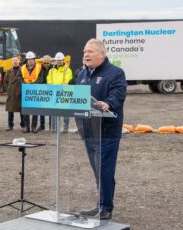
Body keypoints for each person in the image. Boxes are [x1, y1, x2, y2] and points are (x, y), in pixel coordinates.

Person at [71, 38, 127, 220]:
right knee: (97, 171)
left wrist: (108, 104)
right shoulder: (81, 75)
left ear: (102, 54)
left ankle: (106, 208)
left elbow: (117, 96)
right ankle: (100, 205)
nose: (86, 54)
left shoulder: (115, 73)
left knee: (104, 170)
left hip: (106, 132)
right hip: (88, 132)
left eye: (90, 51)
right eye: (84, 52)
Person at [47, 52, 73, 133]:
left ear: (63, 60)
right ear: (55, 61)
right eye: (57, 60)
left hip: (64, 93)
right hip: (54, 93)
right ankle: (54, 128)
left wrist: (62, 86)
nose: (59, 61)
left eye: (60, 60)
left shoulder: (67, 70)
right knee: (54, 112)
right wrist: (52, 86)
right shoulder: (51, 70)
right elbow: (49, 80)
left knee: (65, 112)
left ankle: (66, 127)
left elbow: (67, 80)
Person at [21, 51, 43, 133]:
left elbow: (41, 78)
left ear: (34, 59)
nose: (30, 61)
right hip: (26, 91)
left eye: (31, 59)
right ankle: (27, 127)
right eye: (28, 59)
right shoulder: (22, 68)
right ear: (26, 60)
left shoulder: (39, 67)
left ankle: (33, 127)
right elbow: (20, 78)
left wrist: (33, 85)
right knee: (26, 110)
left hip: (35, 91)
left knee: (35, 110)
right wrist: (25, 84)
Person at [3, 56, 24, 131]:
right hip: (11, 93)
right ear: (12, 62)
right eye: (14, 60)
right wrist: (7, 89)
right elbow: (5, 81)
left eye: (16, 60)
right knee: (10, 110)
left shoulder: (23, 70)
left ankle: (23, 125)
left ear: (19, 61)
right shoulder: (8, 70)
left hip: (20, 93)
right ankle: (10, 125)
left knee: (22, 110)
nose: (15, 61)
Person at [40, 55, 53, 131]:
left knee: (51, 109)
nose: (46, 64)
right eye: (45, 63)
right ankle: (42, 125)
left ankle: (51, 125)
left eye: (48, 63)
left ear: (50, 62)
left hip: (51, 90)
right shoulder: (39, 69)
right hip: (42, 90)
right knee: (42, 109)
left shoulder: (53, 69)